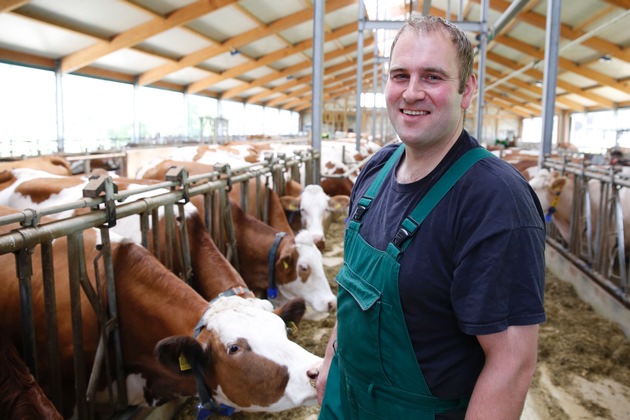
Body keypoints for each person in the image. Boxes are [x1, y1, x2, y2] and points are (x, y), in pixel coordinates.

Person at [316, 14, 546, 420]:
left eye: (433, 77)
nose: (412, 92)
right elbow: (354, 290)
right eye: (400, 75)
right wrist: (333, 360)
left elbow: (511, 364)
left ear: (467, 90)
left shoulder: (494, 200)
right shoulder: (375, 171)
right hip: (345, 398)